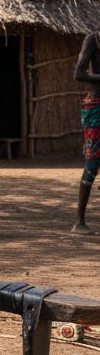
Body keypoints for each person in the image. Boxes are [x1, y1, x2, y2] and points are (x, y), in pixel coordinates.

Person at [73, 32, 100, 233]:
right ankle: (79, 222)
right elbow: (79, 73)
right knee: (93, 161)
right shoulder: (93, 40)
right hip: (96, 106)